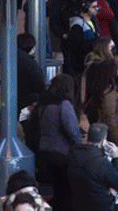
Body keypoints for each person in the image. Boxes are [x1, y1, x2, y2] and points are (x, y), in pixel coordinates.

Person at [37, 74, 82, 211]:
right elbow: (72, 131)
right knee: (65, 194)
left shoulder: (44, 104)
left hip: (44, 152)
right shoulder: (64, 105)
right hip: (61, 155)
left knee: (54, 193)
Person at [68, 123, 118, 211]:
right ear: (103, 141)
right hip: (100, 206)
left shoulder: (73, 154)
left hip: (77, 204)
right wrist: (116, 158)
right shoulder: (101, 162)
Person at [86, 56, 118, 145]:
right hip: (116, 136)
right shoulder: (109, 93)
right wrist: (117, 140)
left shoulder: (113, 89)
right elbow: (109, 118)